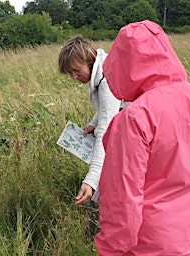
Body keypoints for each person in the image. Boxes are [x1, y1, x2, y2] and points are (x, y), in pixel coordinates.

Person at [96, 20, 190, 255]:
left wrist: (110, 249)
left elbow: (122, 201)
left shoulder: (134, 118)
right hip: (188, 238)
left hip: (146, 245)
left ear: (124, 63)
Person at [58, 36, 122, 206]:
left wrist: (91, 180)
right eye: (70, 73)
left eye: (76, 70)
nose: (73, 76)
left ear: (89, 60)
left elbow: (106, 132)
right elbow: (105, 106)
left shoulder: (108, 79)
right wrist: (94, 123)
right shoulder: (99, 72)